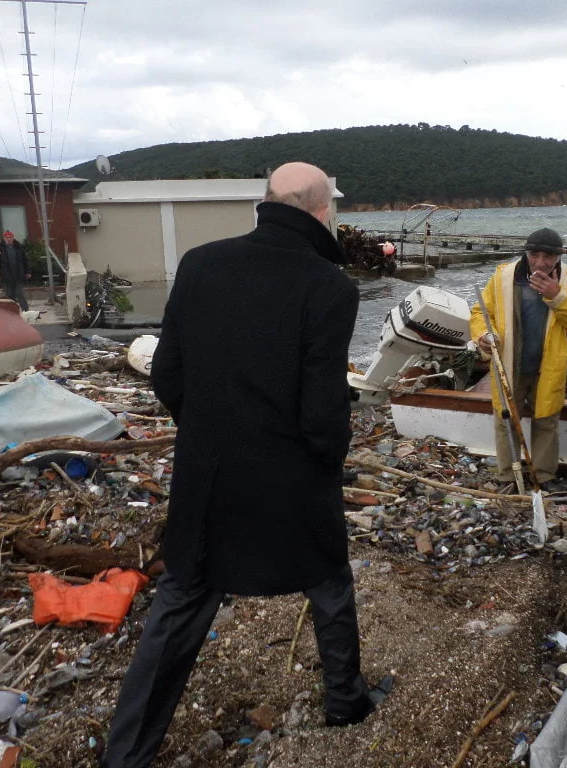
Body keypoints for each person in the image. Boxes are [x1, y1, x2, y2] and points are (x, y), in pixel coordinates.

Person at [101, 162, 390, 768]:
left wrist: (210, 432)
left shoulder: (202, 264)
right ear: (320, 211)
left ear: (268, 202)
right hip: (292, 476)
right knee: (329, 581)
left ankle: (126, 754)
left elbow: (167, 374)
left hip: (209, 471)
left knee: (183, 598)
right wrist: (326, 459)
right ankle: (345, 701)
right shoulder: (330, 287)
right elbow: (321, 407)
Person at [469, 227, 567, 491]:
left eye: (548, 257)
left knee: (546, 419)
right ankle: (507, 476)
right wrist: (483, 336)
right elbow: (481, 311)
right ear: (526, 253)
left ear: (560, 256)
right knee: (505, 419)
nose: (541, 262)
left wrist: (557, 295)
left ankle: (544, 476)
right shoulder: (504, 276)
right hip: (509, 362)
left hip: (546, 365)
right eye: (535, 255)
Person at [0, 231, 30, 310]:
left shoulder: (19, 248)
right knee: (10, 294)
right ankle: (11, 311)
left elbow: (25, 260)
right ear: (4, 239)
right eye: (7, 238)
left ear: (13, 238)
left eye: (10, 237)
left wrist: (28, 272)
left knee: (19, 293)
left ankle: (25, 309)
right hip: (7, 275)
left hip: (18, 274)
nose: (9, 239)